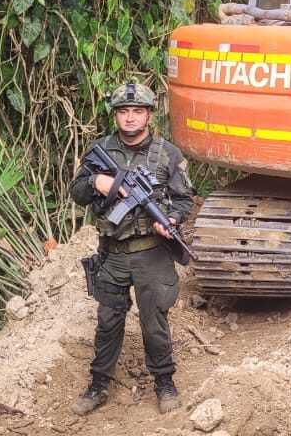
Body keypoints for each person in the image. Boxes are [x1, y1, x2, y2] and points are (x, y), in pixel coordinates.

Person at [69, 81, 195, 416]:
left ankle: (164, 382)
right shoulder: (102, 149)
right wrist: (99, 181)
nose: (130, 118)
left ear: (149, 115)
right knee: (108, 320)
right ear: (116, 116)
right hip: (112, 254)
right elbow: (78, 191)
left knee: (154, 321)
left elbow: (184, 200)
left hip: (151, 254)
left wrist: (169, 218)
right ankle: (98, 385)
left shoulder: (168, 154)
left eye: (137, 111)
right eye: (124, 112)